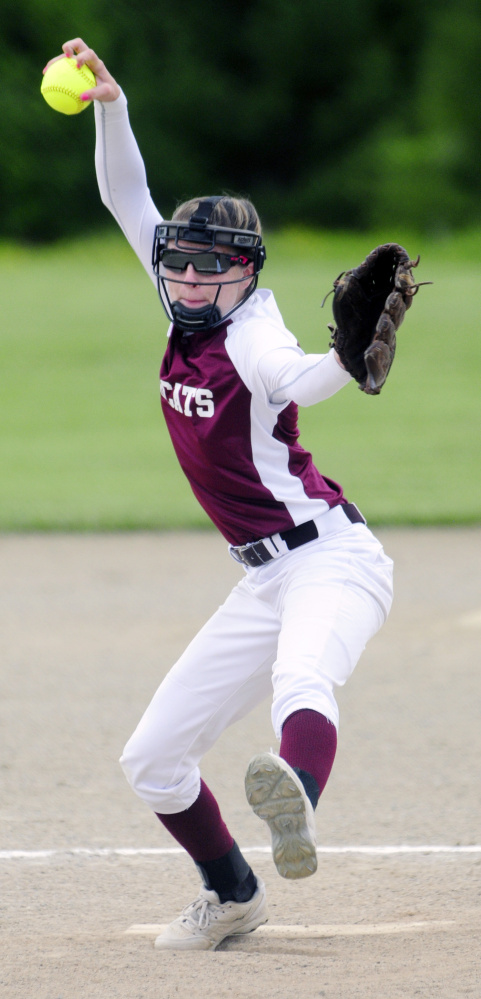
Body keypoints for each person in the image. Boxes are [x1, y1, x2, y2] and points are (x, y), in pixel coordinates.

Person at [45, 40, 394, 952]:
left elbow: (299, 377)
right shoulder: (178, 296)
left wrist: (345, 360)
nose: (192, 280)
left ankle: (295, 810)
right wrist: (110, 106)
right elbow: (128, 199)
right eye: (180, 266)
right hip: (259, 578)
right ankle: (232, 892)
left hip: (331, 558)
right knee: (152, 760)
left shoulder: (253, 334)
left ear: (247, 271)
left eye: (213, 270)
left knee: (302, 677)